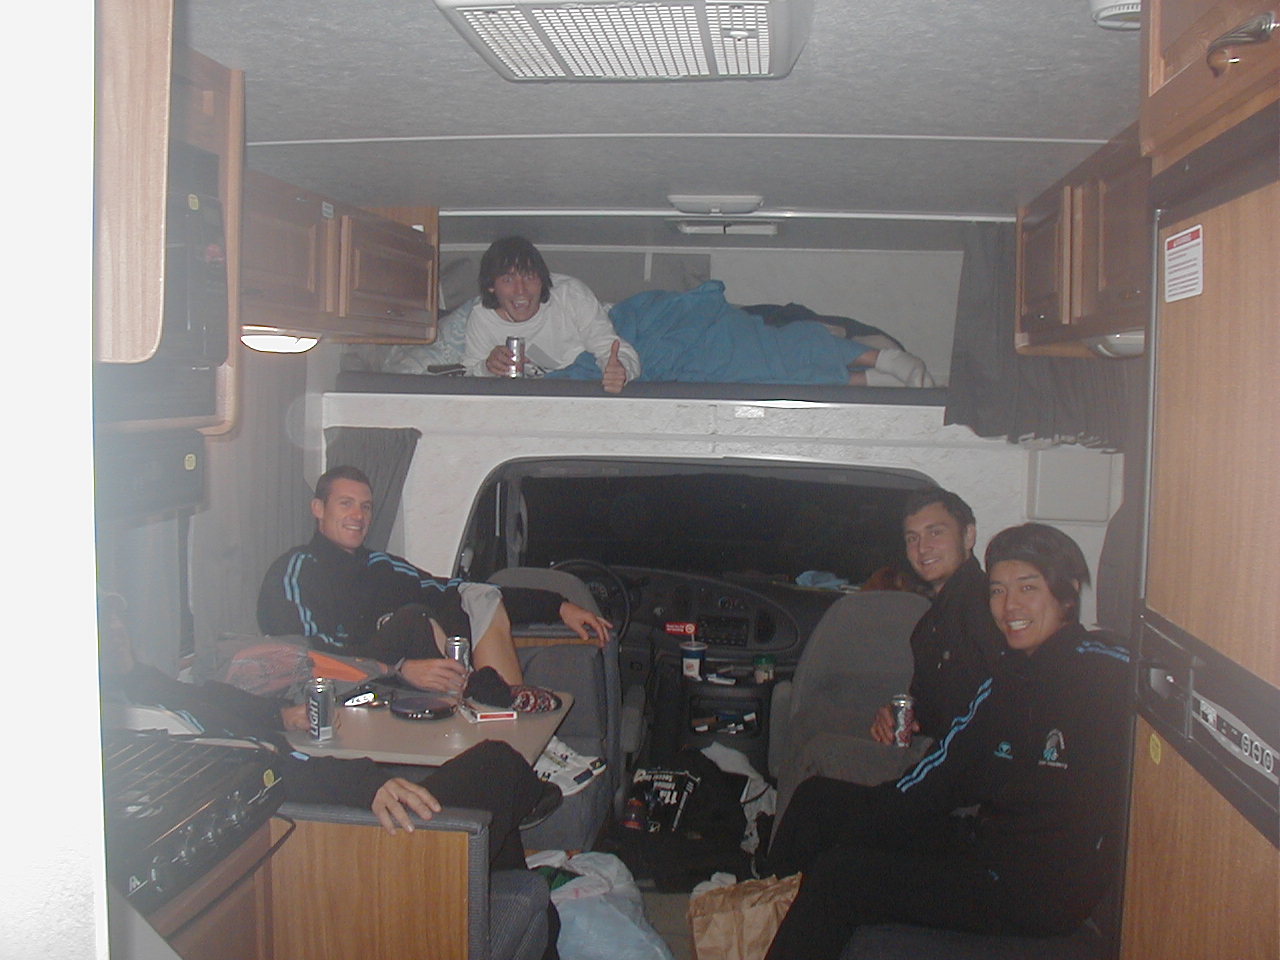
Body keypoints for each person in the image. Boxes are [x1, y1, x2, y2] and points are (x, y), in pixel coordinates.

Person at [763, 524, 1132, 959]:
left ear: (1066, 595)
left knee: (840, 877)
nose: (1009, 606)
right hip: (990, 848)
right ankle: (754, 912)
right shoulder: (1007, 680)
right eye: (997, 591)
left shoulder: (1108, 674)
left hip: (1042, 889)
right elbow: (942, 775)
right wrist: (874, 814)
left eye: (1027, 588)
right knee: (821, 803)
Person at [257, 465, 611, 692]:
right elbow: (302, 657)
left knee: (475, 598)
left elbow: (452, 590)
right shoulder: (295, 572)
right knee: (414, 618)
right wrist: (397, 670)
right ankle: (493, 705)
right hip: (340, 696)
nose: (358, 515)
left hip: (397, 690)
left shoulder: (382, 567)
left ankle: (504, 708)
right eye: (345, 503)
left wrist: (558, 606)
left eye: (365, 506)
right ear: (318, 509)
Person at [869, 487, 1005, 746]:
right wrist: (896, 716)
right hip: (934, 745)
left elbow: (990, 711)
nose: (922, 548)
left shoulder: (986, 607)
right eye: (912, 538)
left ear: (968, 536)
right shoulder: (931, 621)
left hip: (961, 756)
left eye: (935, 532)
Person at [461, 236, 641, 393]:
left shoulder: (570, 295)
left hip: (586, 370)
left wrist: (620, 372)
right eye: (508, 280)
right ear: (491, 286)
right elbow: (467, 376)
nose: (521, 290)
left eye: (529, 277)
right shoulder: (482, 318)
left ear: (542, 280)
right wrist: (488, 367)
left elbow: (613, 349)